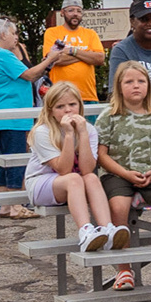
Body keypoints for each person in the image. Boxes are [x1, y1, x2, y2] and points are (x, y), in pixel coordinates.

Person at [94, 63, 151, 290]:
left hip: (150, 173)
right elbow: (101, 155)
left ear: (148, 85)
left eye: (141, 81)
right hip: (117, 174)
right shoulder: (108, 116)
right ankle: (124, 269)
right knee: (119, 207)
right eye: (129, 82)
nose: (136, 86)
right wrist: (125, 173)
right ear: (119, 87)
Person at [26, 83, 120, 254]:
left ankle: (108, 229)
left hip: (74, 184)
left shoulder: (88, 129)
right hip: (41, 184)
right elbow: (63, 170)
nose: (68, 110)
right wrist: (69, 134)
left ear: (80, 106)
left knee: (91, 178)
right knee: (74, 179)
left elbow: (87, 170)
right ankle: (85, 231)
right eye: (60, 106)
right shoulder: (42, 131)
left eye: (72, 104)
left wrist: (82, 133)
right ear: (50, 111)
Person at [0, 20, 57, 218]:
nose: (16, 37)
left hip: (5, 115)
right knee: (15, 158)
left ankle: (5, 204)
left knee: (6, 159)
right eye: (14, 33)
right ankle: (15, 205)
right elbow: (30, 75)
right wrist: (50, 59)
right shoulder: (2, 55)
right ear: (3, 34)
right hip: (12, 116)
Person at [41, 0, 105, 103]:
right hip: (60, 96)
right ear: (62, 12)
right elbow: (54, 60)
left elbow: (100, 59)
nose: (75, 14)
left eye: (79, 11)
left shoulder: (91, 34)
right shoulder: (52, 32)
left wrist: (73, 51)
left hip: (88, 96)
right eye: (71, 10)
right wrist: (87, 55)